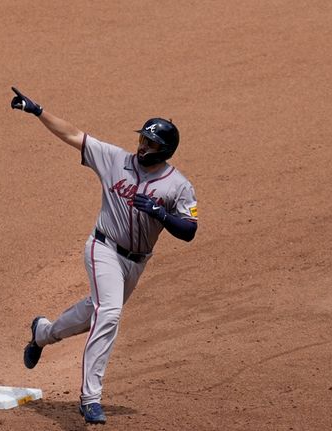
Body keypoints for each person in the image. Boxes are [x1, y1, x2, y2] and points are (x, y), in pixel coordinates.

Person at [10, 87, 198, 424]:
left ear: (165, 150)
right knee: (108, 313)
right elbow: (72, 134)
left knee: (92, 314)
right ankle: (90, 398)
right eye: (142, 139)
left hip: (136, 263)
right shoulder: (114, 159)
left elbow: (189, 230)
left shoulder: (178, 186)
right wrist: (38, 112)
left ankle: (43, 332)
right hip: (103, 248)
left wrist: (159, 213)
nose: (142, 146)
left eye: (151, 144)